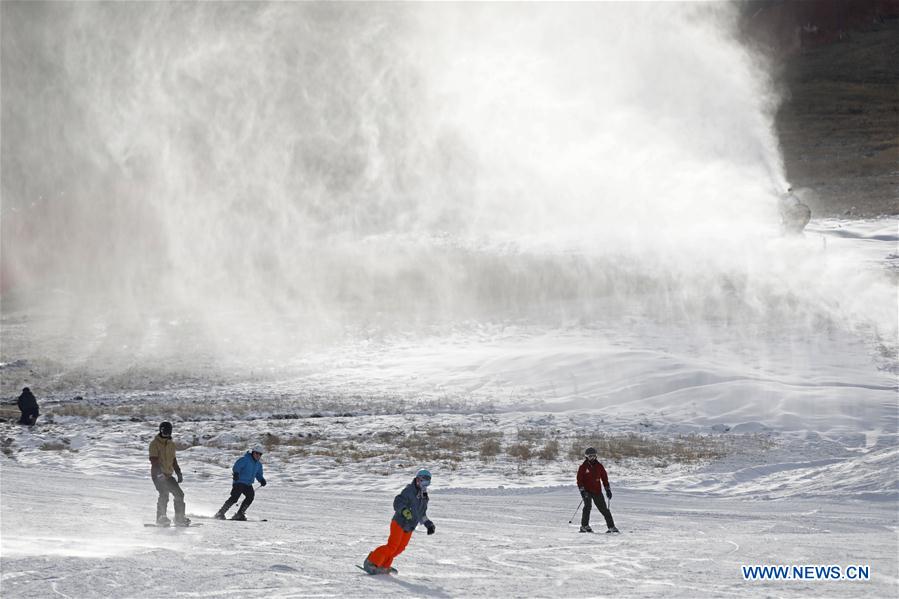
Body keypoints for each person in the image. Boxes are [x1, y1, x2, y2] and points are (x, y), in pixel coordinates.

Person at [363, 469, 436, 575]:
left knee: (399, 548)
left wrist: (428, 524)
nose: (425, 485)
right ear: (418, 479)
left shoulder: (424, 496)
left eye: (428, 483)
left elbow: (422, 514)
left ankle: (383, 565)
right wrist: (404, 511)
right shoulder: (409, 490)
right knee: (392, 546)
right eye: (424, 481)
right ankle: (371, 562)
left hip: (409, 526)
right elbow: (398, 501)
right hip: (399, 522)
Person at [148, 421, 190, 526]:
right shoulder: (154, 444)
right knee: (164, 494)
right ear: (161, 431)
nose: (166, 434)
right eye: (164, 432)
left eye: (168, 432)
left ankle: (179, 517)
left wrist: (178, 472)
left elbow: (173, 460)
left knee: (179, 494)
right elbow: (154, 460)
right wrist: (159, 474)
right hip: (157, 475)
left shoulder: (171, 444)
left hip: (168, 474)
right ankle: (161, 518)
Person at [214, 445, 267, 521]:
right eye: (256, 453)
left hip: (248, 484)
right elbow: (237, 467)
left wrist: (262, 480)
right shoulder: (245, 459)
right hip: (239, 482)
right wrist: (236, 473)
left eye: (260, 454)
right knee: (235, 497)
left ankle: (239, 514)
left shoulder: (258, 465)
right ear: (253, 453)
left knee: (250, 497)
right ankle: (220, 513)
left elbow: (258, 474)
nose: (258, 455)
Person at [577, 447, 618, 533]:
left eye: (594, 456)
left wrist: (607, 489)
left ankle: (611, 527)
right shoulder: (583, 467)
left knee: (604, 509)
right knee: (587, 507)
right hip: (587, 491)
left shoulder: (599, 466)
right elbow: (579, 480)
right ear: (586, 457)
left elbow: (604, 478)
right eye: (590, 456)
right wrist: (582, 491)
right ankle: (584, 526)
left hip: (597, 491)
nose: (592, 458)